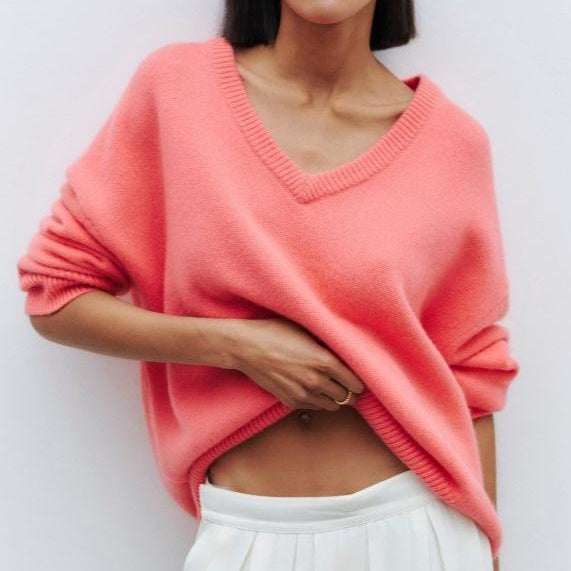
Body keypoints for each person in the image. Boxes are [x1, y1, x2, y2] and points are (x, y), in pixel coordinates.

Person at [17, 1, 520, 569]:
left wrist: (487, 555)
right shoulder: (177, 90)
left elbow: (472, 371)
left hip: (418, 530)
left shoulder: (452, 144)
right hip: (247, 534)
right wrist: (239, 346)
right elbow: (56, 296)